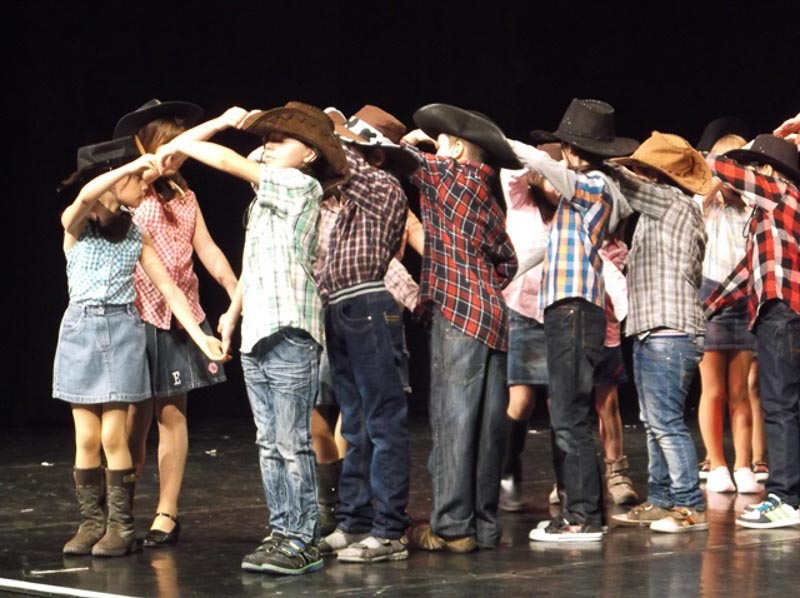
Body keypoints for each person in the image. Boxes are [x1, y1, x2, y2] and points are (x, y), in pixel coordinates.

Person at [157, 102, 350, 573]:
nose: (268, 146)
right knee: (268, 441)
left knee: (290, 441)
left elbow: (228, 160)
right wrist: (231, 314)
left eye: (281, 140)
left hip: (290, 326)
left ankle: (301, 539)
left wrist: (205, 132)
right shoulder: (263, 201)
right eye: (266, 139)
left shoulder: (300, 185)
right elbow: (254, 261)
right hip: (257, 329)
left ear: (309, 155)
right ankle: (282, 530)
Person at [54, 137, 226, 558]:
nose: (145, 184)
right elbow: (86, 195)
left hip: (123, 332)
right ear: (114, 180)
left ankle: (121, 525)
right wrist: (126, 169)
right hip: (80, 332)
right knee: (86, 437)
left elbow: (169, 289)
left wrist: (200, 336)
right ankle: (92, 522)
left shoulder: (136, 234)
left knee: (114, 434)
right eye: (137, 177)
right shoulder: (76, 226)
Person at [113, 100, 239, 547]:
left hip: (181, 313)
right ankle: (122, 510)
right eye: (171, 146)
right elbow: (156, 163)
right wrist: (219, 124)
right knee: (134, 420)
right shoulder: (132, 185)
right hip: (139, 310)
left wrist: (232, 287)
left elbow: (207, 249)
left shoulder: (186, 195)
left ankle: (167, 512)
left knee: (172, 413)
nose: (178, 156)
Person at [509, 98, 636, 541]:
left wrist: (498, 141)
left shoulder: (595, 184)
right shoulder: (582, 194)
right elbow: (546, 249)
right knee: (568, 413)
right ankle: (581, 511)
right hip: (568, 309)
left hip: (574, 308)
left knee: (570, 415)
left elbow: (549, 169)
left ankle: (581, 516)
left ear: (570, 148)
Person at [402, 103, 519, 552]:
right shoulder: (486, 190)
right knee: (488, 425)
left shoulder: (445, 174)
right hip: (494, 314)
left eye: (440, 141)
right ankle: (483, 523)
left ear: (453, 147)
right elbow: (508, 260)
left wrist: (412, 141)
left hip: (458, 311)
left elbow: (387, 152)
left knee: (454, 420)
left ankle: (452, 526)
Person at [313, 105, 416, 563]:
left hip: (370, 304)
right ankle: (355, 521)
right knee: (354, 423)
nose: (343, 154)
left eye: (354, 148)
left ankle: (390, 529)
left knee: (382, 420)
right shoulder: (348, 200)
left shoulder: (383, 184)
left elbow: (339, 158)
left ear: (374, 154)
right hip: (340, 307)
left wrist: (329, 127)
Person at [607, 131, 710, 533]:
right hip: (654, 330)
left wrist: (594, 156)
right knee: (654, 422)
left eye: (644, 169)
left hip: (670, 332)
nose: (639, 174)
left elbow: (624, 183)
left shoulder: (671, 202)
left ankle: (689, 506)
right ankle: (663, 499)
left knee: (665, 422)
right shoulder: (663, 212)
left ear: (658, 174)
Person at [703, 132, 800, 529]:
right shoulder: (767, 214)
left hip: (782, 313)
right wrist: (709, 306)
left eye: (755, 167)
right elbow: (747, 272)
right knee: (785, 405)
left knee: (780, 407)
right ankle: (790, 494)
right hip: (779, 314)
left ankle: (785, 498)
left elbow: (718, 166)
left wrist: (739, 156)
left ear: (765, 171)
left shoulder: (778, 191)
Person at [692, 128, 761, 495]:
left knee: (740, 391)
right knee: (714, 390)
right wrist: (720, 170)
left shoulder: (751, 206)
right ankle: (717, 464)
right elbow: (703, 190)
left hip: (743, 300)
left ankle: (743, 465)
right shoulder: (708, 204)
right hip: (712, 297)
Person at [496, 153, 557, 513]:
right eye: (550, 178)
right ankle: (508, 473)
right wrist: (539, 165)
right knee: (521, 400)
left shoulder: (569, 210)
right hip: (520, 310)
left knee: (559, 404)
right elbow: (510, 174)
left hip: (557, 314)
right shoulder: (521, 203)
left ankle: (565, 482)